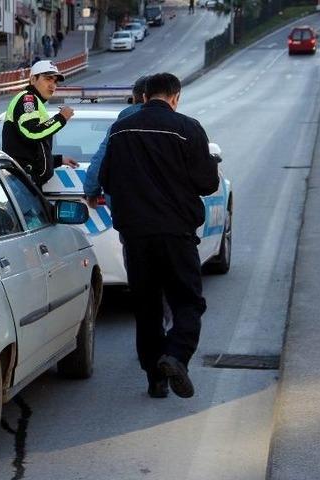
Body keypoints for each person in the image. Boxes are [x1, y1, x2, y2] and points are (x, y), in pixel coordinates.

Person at [99, 73, 219, 399]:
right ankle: (176, 355)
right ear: (175, 97)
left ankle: (155, 379)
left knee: (147, 307)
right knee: (188, 301)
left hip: (136, 236)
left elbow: (106, 179)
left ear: (144, 96)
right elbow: (208, 183)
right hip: (177, 234)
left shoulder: (121, 131)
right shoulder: (188, 128)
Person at [2, 60, 78, 188]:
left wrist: (59, 160)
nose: (52, 85)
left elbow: (32, 152)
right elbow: (32, 132)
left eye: (55, 81)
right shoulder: (28, 99)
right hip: (22, 182)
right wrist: (61, 118)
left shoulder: (35, 102)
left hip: (26, 181)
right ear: (33, 79)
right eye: (48, 79)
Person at [83, 75, 149, 208]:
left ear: (135, 98)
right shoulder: (177, 126)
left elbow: (101, 161)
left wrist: (91, 192)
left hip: (125, 205)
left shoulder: (120, 126)